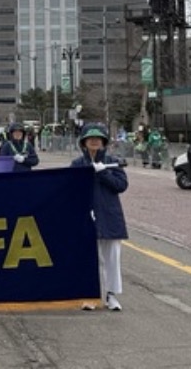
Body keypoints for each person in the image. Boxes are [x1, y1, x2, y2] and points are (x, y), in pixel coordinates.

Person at [70, 123, 128, 312]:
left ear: (104, 142)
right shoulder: (77, 164)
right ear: (84, 142)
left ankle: (112, 295)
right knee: (88, 258)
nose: (94, 141)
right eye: (90, 138)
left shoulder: (113, 162)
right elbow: (70, 188)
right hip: (85, 215)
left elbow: (121, 185)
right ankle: (90, 295)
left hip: (109, 215)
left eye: (98, 139)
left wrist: (103, 172)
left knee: (112, 258)